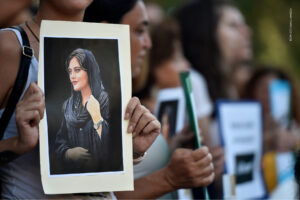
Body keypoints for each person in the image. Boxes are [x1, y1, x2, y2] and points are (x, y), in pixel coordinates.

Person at [0, 0, 160, 198]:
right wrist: (17, 145)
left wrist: (129, 146)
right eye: (72, 70)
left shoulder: (106, 47)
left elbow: (98, 170)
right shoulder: (9, 46)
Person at [84, 0, 215, 199]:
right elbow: (102, 195)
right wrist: (170, 178)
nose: (148, 43)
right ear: (107, 32)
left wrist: (171, 146)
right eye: (139, 31)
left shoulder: (120, 99)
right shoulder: (87, 105)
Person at [176, 0, 252, 197]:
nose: (246, 32)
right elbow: (213, 175)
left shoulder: (230, 84)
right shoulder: (193, 81)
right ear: (205, 33)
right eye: (233, 26)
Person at [54, 48, 110, 173]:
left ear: (90, 71)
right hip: (73, 178)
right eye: (70, 71)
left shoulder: (104, 100)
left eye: (77, 70)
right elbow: (59, 142)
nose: (72, 76)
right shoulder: (67, 105)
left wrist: (97, 117)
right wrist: (69, 153)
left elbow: (114, 146)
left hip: (100, 177)